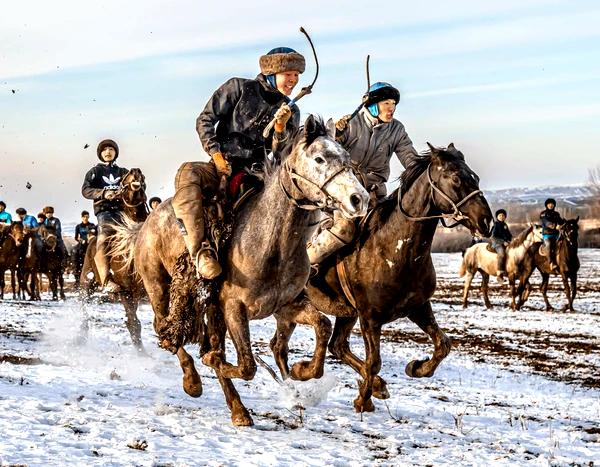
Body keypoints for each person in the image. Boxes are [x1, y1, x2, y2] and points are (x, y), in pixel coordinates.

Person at [172, 46, 305, 279]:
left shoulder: (291, 111)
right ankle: (200, 251)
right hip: (221, 165)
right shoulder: (238, 87)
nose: (293, 80)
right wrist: (215, 153)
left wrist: (281, 128)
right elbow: (205, 120)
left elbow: (282, 154)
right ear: (272, 72)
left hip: (258, 174)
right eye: (289, 74)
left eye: (297, 75)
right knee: (187, 173)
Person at [307, 81, 419, 265]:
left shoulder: (397, 130)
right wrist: (336, 135)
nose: (391, 109)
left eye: (394, 104)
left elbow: (410, 158)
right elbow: (328, 153)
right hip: (345, 194)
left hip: (376, 194)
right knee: (344, 229)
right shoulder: (350, 124)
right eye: (386, 104)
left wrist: (424, 170)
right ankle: (308, 267)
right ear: (373, 106)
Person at [81, 139, 129, 292]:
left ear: (116, 153)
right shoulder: (95, 172)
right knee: (102, 241)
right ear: (100, 154)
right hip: (105, 213)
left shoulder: (123, 172)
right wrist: (103, 193)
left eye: (111, 149)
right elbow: (86, 190)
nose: (108, 152)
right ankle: (106, 280)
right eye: (105, 150)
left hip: (124, 213)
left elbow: (135, 185)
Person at [73, 210, 97, 287]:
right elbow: (76, 237)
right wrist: (81, 240)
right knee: (74, 250)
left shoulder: (92, 225)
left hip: (91, 243)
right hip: (82, 244)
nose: (85, 218)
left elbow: (95, 234)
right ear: (81, 217)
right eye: (84, 217)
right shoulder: (78, 226)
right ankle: (75, 266)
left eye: (87, 217)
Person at [540, 198, 564, 271]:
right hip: (547, 235)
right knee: (549, 245)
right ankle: (551, 263)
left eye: (552, 204)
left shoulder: (556, 214)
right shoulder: (543, 214)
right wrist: (555, 226)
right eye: (549, 204)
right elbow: (547, 223)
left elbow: (561, 221)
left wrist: (565, 224)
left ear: (554, 205)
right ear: (546, 205)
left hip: (557, 235)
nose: (551, 205)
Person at [490, 209, 512, 280]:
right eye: (500, 215)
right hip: (497, 243)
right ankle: (499, 273)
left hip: (506, 243)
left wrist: (509, 240)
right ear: (497, 217)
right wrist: (503, 242)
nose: (501, 217)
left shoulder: (505, 225)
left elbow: (509, 235)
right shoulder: (496, 225)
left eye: (503, 215)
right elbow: (494, 237)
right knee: (502, 254)